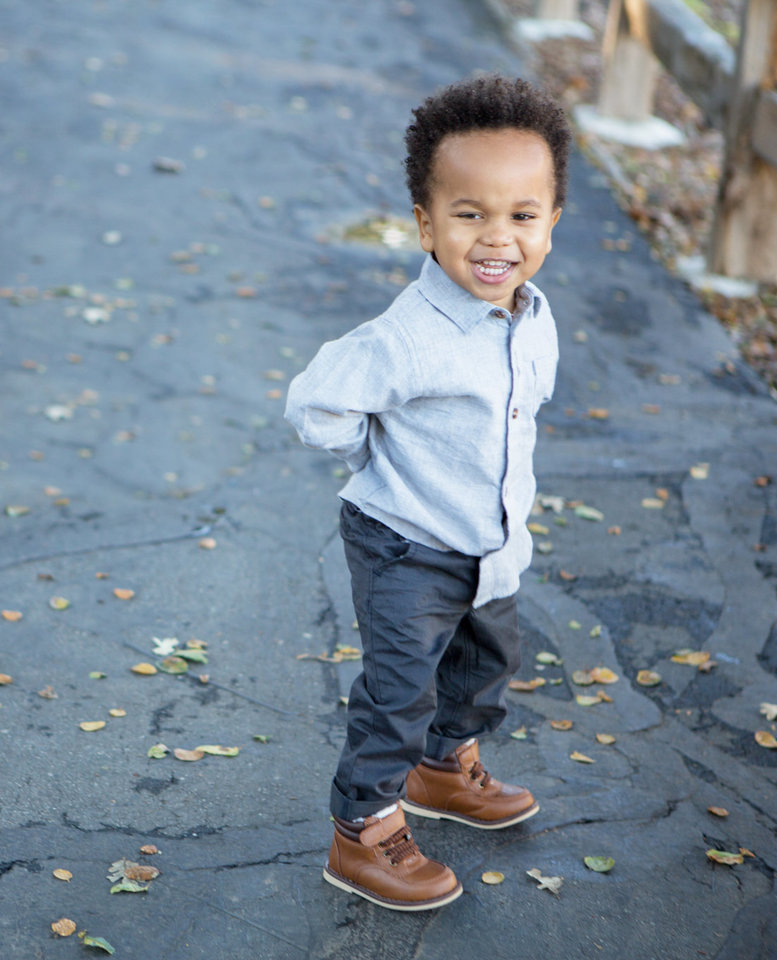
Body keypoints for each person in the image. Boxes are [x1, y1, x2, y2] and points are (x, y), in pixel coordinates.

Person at [284, 74, 571, 911]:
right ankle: (363, 831)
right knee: (399, 689)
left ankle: (442, 769)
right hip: (406, 541)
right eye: (468, 213)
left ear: (552, 222)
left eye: (522, 215)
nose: (497, 238)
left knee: (486, 666)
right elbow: (317, 401)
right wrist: (376, 454)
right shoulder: (408, 336)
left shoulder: (534, 315)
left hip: (489, 543)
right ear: (425, 223)